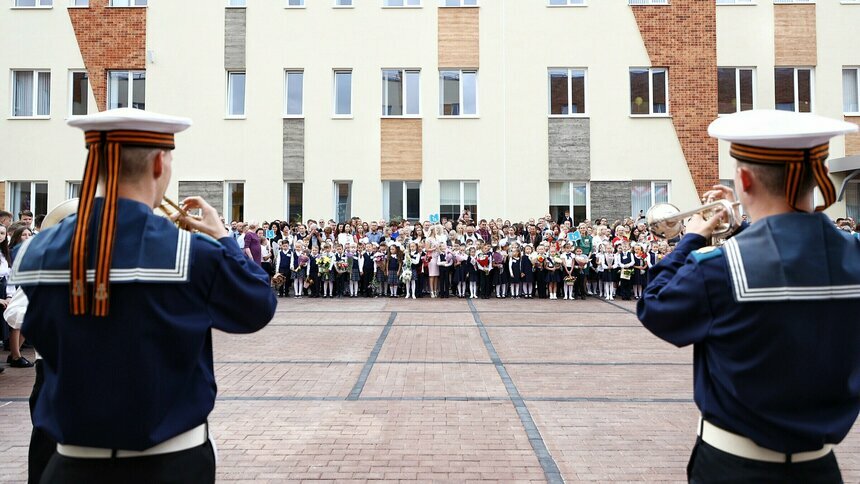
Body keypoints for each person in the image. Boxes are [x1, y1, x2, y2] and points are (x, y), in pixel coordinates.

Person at [10, 108, 277, 483]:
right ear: (158, 162)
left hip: (70, 464)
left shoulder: (35, 251)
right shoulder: (193, 253)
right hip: (170, 465)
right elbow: (257, 307)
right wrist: (222, 238)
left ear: (98, 165)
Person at [637, 109, 860, 482]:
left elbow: (656, 307)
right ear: (816, 177)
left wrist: (691, 237)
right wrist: (742, 228)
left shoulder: (716, 266)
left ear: (743, 178)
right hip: (820, 468)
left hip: (732, 467)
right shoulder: (854, 254)